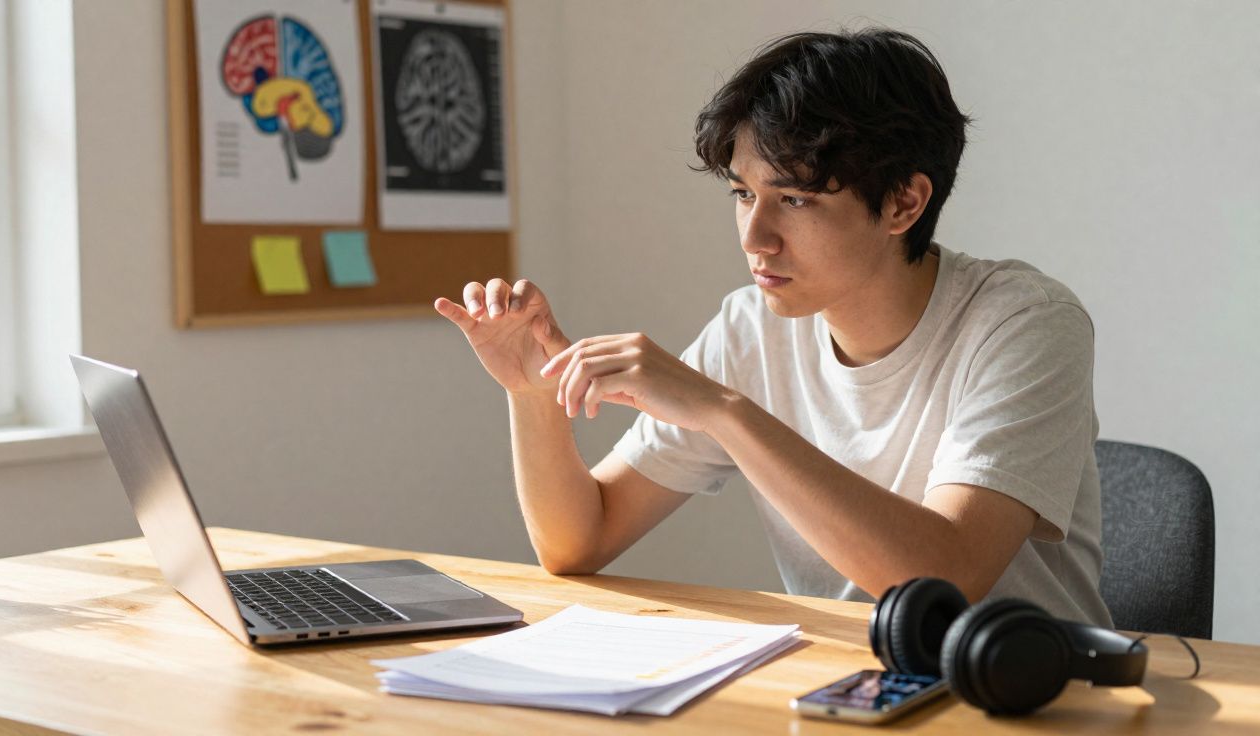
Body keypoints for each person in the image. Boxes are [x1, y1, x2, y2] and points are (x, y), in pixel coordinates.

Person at [435, 28, 1112, 626]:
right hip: (843, 688)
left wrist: (724, 413)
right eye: (741, 194)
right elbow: (578, 542)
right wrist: (531, 395)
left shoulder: (1025, 324)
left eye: (794, 198)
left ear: (905, 201)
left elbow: (945, 582)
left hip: (1027, 696)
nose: (755, 237)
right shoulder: (751, 327)